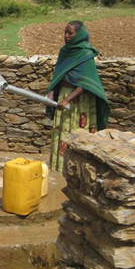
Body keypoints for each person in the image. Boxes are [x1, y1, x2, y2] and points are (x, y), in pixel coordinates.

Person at [46, 20, 110, 173]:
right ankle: (61, 166)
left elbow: (85, 83)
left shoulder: (85, 54)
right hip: (63, 96)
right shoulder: (65, 52)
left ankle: (76, 168)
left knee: (75, 131)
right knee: (62, 131)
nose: (66, 36)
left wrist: (67, 99)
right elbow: (58, 75)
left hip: (78, 100)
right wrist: (51, 93)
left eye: (70, 33)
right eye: (65, 33)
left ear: (79, 35)